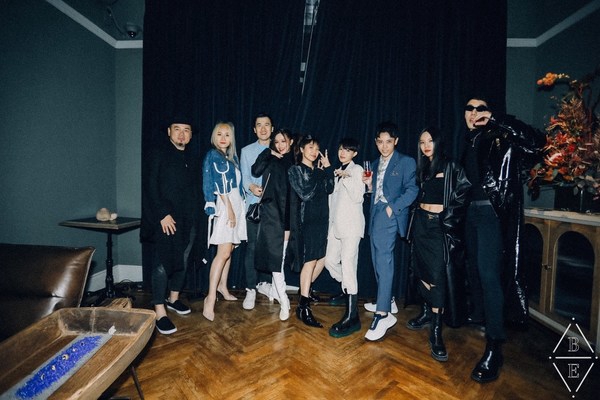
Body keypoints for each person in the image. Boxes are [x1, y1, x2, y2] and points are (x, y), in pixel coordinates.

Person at [461, 97, 545, 382]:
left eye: (480, 108)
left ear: (489, 113)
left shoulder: (502, 137)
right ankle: (482, 318)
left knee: (489, 275)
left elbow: (537, 143)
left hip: (492, 214)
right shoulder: (469, 142)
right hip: (472, 215)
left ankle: (495, 347)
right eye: (469, 109)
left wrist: (498, 120)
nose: (474, 113)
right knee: (475, 271)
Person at [405, 127, 471, 362]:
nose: (426, 146)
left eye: (430, 141)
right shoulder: (423, 168)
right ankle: (426, 312)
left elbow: (464, 192)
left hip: (438, 227)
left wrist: (448, 218)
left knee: (438, 276)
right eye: (422, 142)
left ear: (438, 142)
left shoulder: (452, 166)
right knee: (421, 270)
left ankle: (436, 331)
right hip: (421, 224)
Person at [362, 122, 418, 341]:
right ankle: (388, 300)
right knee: (377, 259)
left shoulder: (406, 161)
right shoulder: (375, 163)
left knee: (383, 260)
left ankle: (383, 314)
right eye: (380, 142)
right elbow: (374, 191)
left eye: (388, 142)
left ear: (396, 141)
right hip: (375, 213)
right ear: (376, 142)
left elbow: (412, 189)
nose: (384, 146)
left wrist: (392, 208)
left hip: (389, 213)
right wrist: (368, 186)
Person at [141, 117, 198, 335]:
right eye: (177, 129)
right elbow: (150, 186)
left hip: (187, 219)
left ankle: (173, 299)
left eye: (186, 130)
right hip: (166, 219)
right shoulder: (158, 153)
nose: (182, 134)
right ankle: (159, 311)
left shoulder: (191, 157)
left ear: (190, 134)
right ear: (168, 131)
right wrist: (162, 214)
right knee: (163, 262)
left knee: (183, 259)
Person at [202, 121, 247, 321]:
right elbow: (216, 183)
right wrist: (229, 209)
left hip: (236, 203)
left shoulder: (231, 157)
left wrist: (237, 208)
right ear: (214, 136)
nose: (223, 138)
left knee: (229, 251)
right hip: (225, 204)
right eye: (219, 134)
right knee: (223, 253)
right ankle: (210, 298)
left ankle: (223, 287)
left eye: (227, 135)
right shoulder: (213, 155)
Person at [287, 135, 334, 327]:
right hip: (307, 222)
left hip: (322, 220)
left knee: (322, 259)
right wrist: (319, 173)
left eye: (316, 148)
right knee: (310, 261)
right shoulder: (295, 170)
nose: (314, 152)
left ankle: (304, 293)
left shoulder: (319, 171)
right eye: (310, 148)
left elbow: (329, 188)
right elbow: (305, 193)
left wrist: (328, 169)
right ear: (301, 149)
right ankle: (303, 307)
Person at [251, 129, 295, 321]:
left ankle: (272, 290)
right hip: (272, 215)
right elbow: (255, 171)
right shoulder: (270, 158)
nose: (279, 145)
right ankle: (284, 300)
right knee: (277, 260)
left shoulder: (295, 162)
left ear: (290, 142)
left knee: (282, 259)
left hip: (289, 216)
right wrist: (267, 153)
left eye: (283, 141)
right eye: (276, 142)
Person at [324, 138, 365, 337]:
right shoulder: (337, 172)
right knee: (329, 261)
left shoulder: (356, 170)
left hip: (351, 228)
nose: (343, 153)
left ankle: (352, 316)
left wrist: (347, 176)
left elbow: (358, 196)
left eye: (348, 150)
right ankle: (348, 288)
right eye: (341, 149)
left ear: (354, 154)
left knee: (348, 265)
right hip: (335, 227)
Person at [240, 112, 274, 310]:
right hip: (254, 206)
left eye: (266, 124)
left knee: (270, 248)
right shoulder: (246, 151)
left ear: (272, 128)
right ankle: (250, 289)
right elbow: (244, 178)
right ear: (254, 129)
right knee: (252, 248)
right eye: (259, 125)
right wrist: (251, 187)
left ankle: (265, 284)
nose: (263, 128)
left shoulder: (279, 148)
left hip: (273, 208)